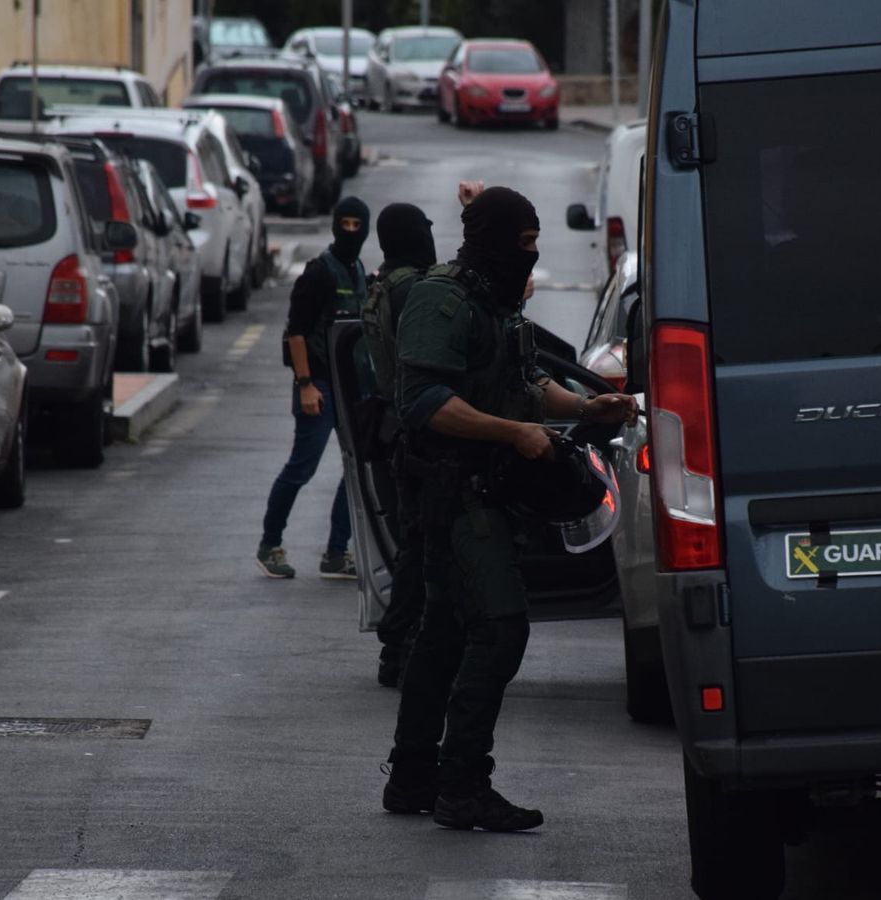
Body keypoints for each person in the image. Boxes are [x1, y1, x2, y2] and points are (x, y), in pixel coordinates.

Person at [379, 187, 637, 831]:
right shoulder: (441, 299)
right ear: (494, 238)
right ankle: (463, 783)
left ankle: (413, 775)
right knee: (499, 628)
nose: (534, 252)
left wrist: (583, 406)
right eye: (524, 242)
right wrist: (513, 433)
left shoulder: (497, 299)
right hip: (453, 491)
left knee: (442, 630)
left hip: (483, 487)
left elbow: (521, 382)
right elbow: (424, 400)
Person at [255, 197, 371, 580]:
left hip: (348, 387)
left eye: (358, 225)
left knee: (357, 472)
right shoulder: (319, 272)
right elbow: (297, 333)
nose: (350, 231)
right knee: (301, 468)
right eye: (345, 223)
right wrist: (305, 385)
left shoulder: (357, 271)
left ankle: (337, 553)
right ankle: (269, 544)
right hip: (318, 385)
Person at [362, 202, 439, 687]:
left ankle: (406, 643)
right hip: (420, 431)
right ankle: (400, 644)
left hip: (400, 428)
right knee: (425, 548)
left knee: (421, 544)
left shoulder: (385, 283)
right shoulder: (412, 290)